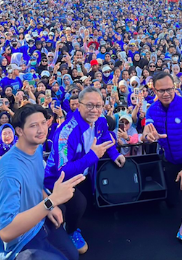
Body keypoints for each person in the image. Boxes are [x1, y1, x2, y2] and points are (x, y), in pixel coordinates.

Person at [0, 104, 84, 260]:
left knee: (72, 255)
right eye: (33, 125)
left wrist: (49, 203)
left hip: (38, 223)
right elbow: (6, 231)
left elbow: (33, 183)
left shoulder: (36, 148)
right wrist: (51, 202)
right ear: (19, 131)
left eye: (43, 122)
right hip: (18, 242)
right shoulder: (8, 171)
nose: (41, 129)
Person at [43, 87, 123, 254]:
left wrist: (115, 154)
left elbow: (105, 137)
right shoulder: (66, 132)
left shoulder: (100, 120)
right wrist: (93, 156)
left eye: (98, 105)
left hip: (83, 174)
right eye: (89, 105)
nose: (95, 110)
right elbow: (63, 170)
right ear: (79, 105)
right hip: (58, 180)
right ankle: (71, 231)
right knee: (80, 203)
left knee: (90, 202)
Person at [142, 71, 182, 242]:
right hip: (170, 160)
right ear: (155, 90)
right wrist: (147, 136)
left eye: (169, 89)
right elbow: (148, 129)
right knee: (171, 202)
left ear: (175, 87)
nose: (166, 93)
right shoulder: (152, 110)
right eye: (161, 91)